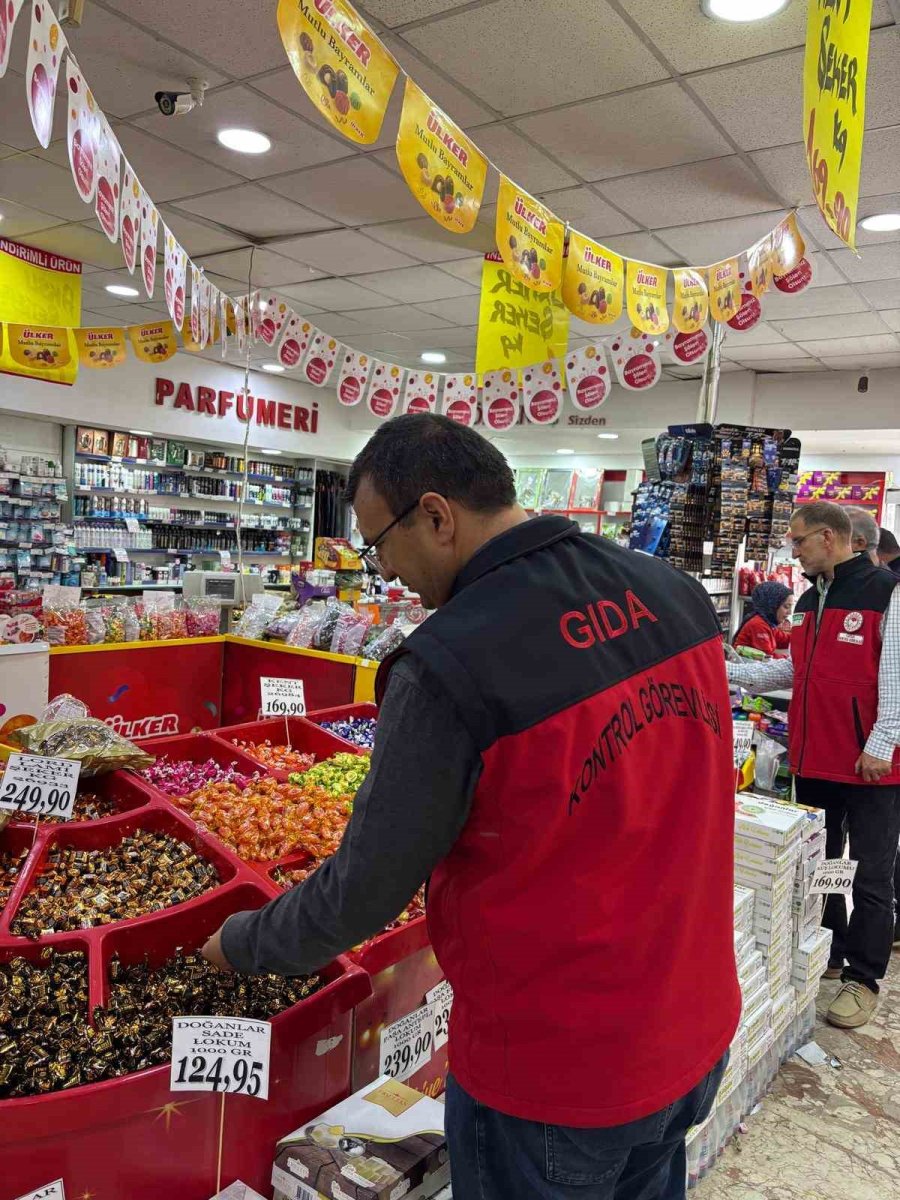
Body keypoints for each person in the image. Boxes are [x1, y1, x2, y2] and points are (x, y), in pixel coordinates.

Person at [202, 414, 740, 1200]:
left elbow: (364, 890)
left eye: (377, 543)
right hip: (694, 1029)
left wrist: (244, 943)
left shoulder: (448, 662)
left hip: (556, 1076)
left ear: (436, 516)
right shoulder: (673, 592)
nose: (384, 571)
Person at [726, 501, 900, 1030]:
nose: (793, 549)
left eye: (799, 541)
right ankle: (831, 946)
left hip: (870, 763)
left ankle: (863, 978)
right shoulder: (806, 599)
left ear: (829, 537)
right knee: (822, 865)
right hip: (815, 757)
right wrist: (730, 672)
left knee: (871, 871)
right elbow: (796, 669)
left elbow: (894, 677)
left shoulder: (885, 592)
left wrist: (882, 742)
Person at [733, 581, 792, 657]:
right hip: (746, 667)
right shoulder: (758, 625)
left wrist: (802, 636)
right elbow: (767, 658)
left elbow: (783, 639)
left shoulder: (768, 623)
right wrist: (794, 659)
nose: (790, 612)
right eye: (786, 607)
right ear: (772, 605)